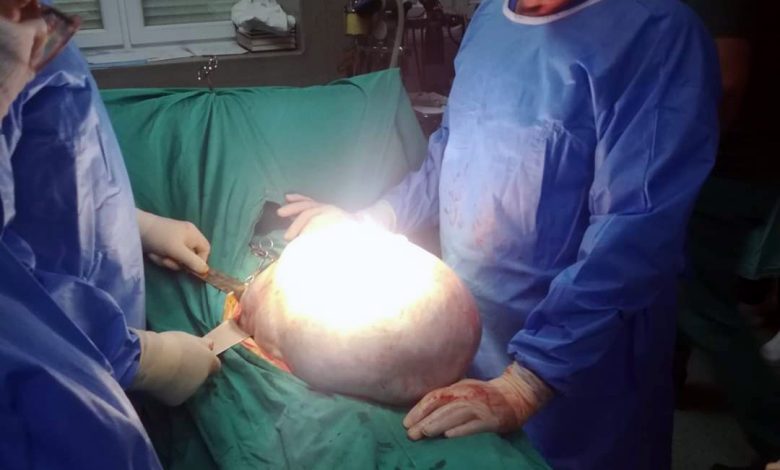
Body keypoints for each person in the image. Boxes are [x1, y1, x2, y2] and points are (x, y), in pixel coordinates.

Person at [278, 0, 721, 468]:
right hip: (474, 338)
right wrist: (373, 219)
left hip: (582, 368)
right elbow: (450, 155)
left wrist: (529, 381)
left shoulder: (654, 34)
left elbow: (635, 232)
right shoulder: (491, 20)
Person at [1, 0, 220, 466]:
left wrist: (138, 226)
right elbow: (13, 312)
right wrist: (149, 359)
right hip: (52, 405)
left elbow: (49, 175)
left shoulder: (21, 23)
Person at [676, 1, 780, 469]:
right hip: (745, 164)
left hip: (725, 171)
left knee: (705, 309)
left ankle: (774, 436)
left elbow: (728, 83)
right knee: (678, 285)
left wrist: (681, 159)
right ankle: (663, 386)